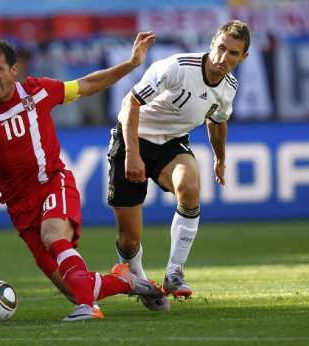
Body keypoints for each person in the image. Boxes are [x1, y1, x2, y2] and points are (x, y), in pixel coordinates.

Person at [0, 33, 169, 321]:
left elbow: (88, 85)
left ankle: (88, 309)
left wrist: (131, 63)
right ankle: (128, 281)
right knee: (74, 287)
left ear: (13, 70)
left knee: (52, 234)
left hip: (54, 182)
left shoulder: (38, 91)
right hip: (21, 208)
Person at [107, 20, 250, 303]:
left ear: (243, 57)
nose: (224, 58)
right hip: (132, 137)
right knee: (129, 238)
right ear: (212, 43)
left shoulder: (229, 87)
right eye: (221, 48)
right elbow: (129, 104)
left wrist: (220, 159)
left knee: (190, 184)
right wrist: (133, 154)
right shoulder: (177, 67)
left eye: (233, 53)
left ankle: (174, 272)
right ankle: (140, 280)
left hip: (171, 143)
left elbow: (217, 122)